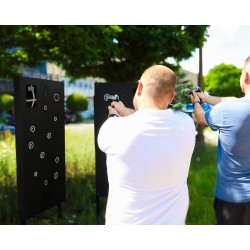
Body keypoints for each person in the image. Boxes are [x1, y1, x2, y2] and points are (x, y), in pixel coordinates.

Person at [97, 65, 196, 225]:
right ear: (172, 97)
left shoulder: (114, 128)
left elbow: (141, 121)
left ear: (140, 87)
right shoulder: (186, 125)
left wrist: (115, 114)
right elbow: (154, 119)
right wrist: (126, 111)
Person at [190, 56, 250, 225]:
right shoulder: (230, 105)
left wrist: (196, 101)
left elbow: (201, 118)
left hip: (231, 199)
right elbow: (229, 100)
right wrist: (205, 97)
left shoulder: (227, 110)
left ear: (245, 76)